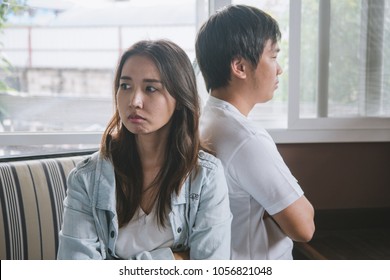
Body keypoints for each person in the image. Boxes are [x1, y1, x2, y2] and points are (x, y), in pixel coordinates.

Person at [57, 39, 232, 260]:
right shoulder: (86, 179)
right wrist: (174, 259)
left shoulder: (205, 176)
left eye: (151, 88)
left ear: (179, 98)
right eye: (125, 86)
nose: (134, 101)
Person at [196, 5, 315, 260]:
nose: (279, 68)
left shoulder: (205, 119)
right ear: (240, 66)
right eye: (273, 57)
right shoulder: (245, 138)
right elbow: (304, 227)